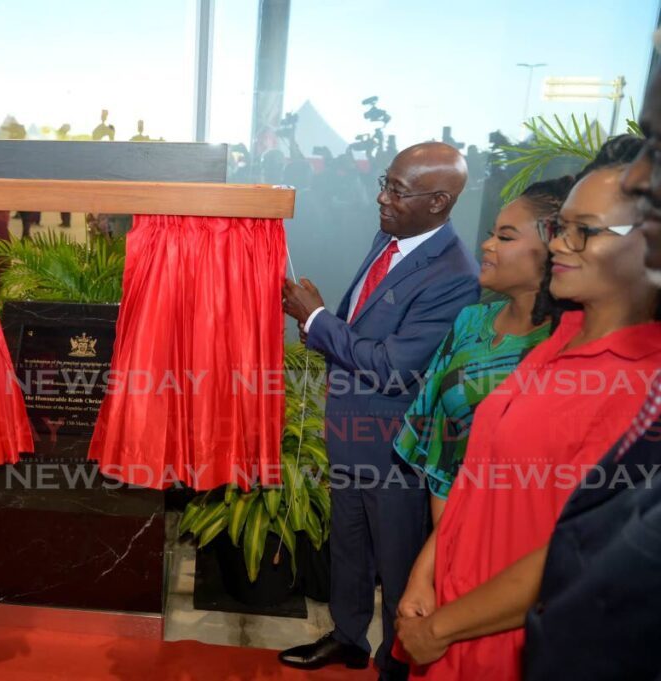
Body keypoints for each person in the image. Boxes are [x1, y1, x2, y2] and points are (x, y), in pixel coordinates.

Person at [395, 65, 661, 681]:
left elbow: (578, 555)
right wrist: (423, 575)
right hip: (448, 616)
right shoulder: (556, 343)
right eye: (560, 228)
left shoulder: (640, 387)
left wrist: (438, 628)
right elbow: (476, 478)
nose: (560, 246)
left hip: (502, 641)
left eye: (584, 232)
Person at [280, 142, 481, 680]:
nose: (381, 197)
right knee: (347, 549)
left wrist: (319, 319)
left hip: (395, 451)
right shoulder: (390, 237)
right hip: (351, 432)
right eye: (384, 183)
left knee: (397, 570)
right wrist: (324, 317)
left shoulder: (455, 275)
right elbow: (362, 325)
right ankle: (348, 638)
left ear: (439, 201)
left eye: (396, 189)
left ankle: (397, 664)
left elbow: (394, 366)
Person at [394, 177, 572, 524]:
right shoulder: (470, 322)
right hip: (452, 524)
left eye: (505, 237)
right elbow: (441, 450)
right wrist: (444, 551)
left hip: (524, 535)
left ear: (557, 250)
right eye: (492, 233)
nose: (487, 245)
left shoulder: (568, 346)